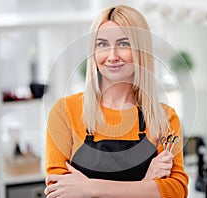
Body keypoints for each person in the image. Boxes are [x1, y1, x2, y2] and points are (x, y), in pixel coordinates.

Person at [44, 4, 189, 198]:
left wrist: (90, 188)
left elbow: (176, 190)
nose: (112, 56)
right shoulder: (65, 112)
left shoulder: (165, 118)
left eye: (123, 43)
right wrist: (146, 184)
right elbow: (58, 191)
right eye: (102, 44)